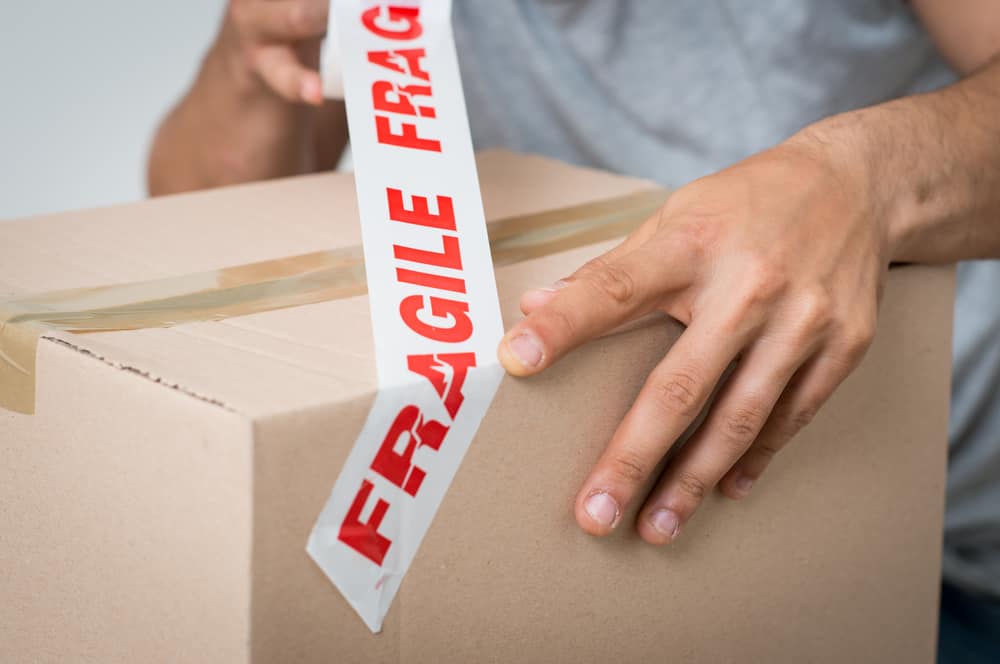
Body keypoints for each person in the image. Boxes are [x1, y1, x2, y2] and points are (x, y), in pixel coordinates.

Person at [149, 2, 1000, 660]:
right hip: (608, 575)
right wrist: (248, 59)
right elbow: (192, 273)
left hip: (951, 546)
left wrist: (868, 178)